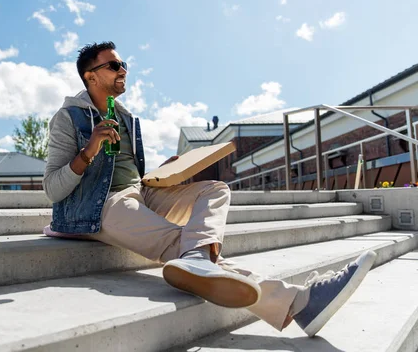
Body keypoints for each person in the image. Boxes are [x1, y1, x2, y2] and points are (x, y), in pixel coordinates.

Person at [42, 41, 377, 337]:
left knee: (215, 190)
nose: (123, 70)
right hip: (100, 207)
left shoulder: (127, 118)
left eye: (124, 64)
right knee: (180, 242)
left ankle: (200, 259)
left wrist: (167, 172)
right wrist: (89, 150)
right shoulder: (69, 118)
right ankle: (300, 301)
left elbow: (129, 174)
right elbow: (53, 189)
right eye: (114, 65)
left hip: (138, 193)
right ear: (91, 76)